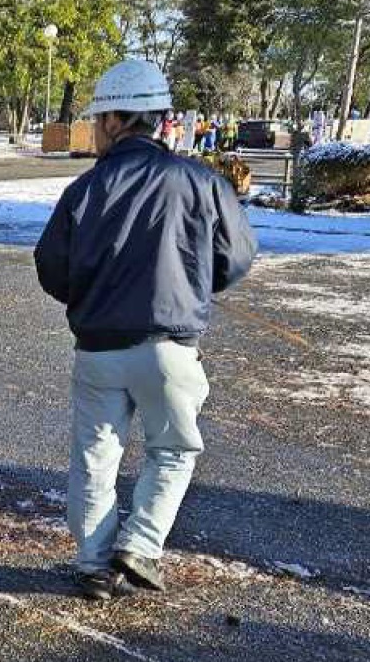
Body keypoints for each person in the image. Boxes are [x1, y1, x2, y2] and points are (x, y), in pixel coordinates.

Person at [33, 59, 258, 602]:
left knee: (93, 460)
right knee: (174, 450)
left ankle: (92, 565)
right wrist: (193, 285)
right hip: (170, 346)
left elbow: (51, 267)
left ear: (113, 119)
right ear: (157, 117)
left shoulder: (85, 190)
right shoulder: (201, 182)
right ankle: (140, 546)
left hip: (98, 348)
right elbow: (238, 257)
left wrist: (93, 296)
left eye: (98, 119)